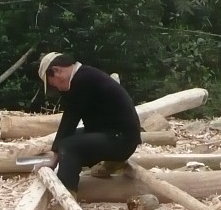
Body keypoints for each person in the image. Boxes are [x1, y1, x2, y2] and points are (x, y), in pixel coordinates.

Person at [34, 52, 142, 197]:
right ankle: (113, 162)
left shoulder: (82, 80)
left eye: (54, 84)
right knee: (67, 142)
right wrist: (56, 150)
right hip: (118, 135)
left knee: (68, 145)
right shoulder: (85, 75)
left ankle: (67, 196)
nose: (58, 89)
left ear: (56, 70)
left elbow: (70, 119)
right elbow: (69, 123)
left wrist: (55, 156)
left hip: (121, 139)